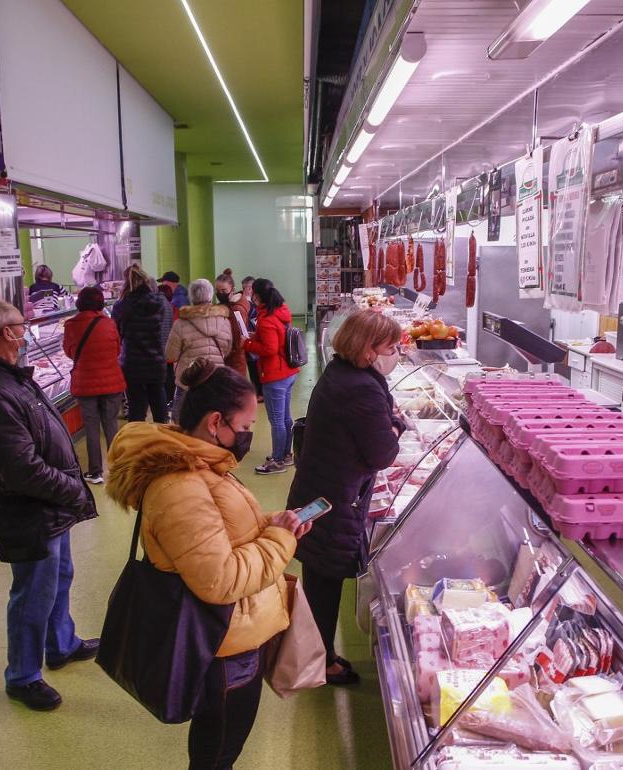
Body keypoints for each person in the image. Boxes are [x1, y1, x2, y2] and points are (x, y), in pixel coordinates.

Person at [105, 358, 311, 770]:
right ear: (216, 422)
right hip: (222, 645)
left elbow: (220, 532)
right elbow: (220, 578)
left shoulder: (202, 464)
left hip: (232, 636)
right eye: (246, 425)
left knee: (218, 748)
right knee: (217, 755)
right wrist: (280, 539)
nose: (249, 434)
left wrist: (273, 524)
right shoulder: (180, 485)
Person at [0, 301, 99, 712]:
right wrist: (74, 490)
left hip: (50, 507)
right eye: (22, 326)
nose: (27, 331)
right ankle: (22, 676)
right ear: (6, 333)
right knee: (32, 594)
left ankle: (61, 643)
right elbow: (23, 471)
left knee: (59, 577)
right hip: (31, 510)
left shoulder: (7, 374)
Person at [287, 310, 405, 686]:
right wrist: (396, 425)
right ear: (369, 350)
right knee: (324, 583)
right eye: (392, 347)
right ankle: (320, 662)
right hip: (335, 499)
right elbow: (383, 453)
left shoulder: (342, 373)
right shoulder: (362, 388)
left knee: (319, 581)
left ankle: (318, 653)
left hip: (320, 492)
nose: (397, 353)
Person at [62, 286, 126, 484]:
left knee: (91, 427)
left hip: (85, 383)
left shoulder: (72, 325)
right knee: (111, 425)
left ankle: (95, 471)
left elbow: (69, 352)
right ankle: (117, 470)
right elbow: (117, 350)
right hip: (112, 382)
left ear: (80, 302)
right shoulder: (109, 323)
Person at [242, 278, 300, 475]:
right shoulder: (281, 311)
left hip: (274, 375)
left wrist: (247, 344)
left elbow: (270, 348)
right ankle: (285, 454)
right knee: (285, 417)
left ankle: (277, 460)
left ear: (257, 296)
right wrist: (255, 337)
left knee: (276, 420)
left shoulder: (266, 320)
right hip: (288, 371)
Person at [165, 278, 233, 419]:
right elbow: (226, 350)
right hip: (215, 379)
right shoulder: (225, 321)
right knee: (211, 423)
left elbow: (170, 356)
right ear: (210, 295)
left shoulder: (180, 324)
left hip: (187, 382)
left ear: (191, 297)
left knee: (181, 424)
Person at [112, 264, 170, 424]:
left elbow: (116, 332)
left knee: (136, 412)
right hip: (156, 361)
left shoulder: (121, 306)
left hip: (132, 364)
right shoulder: (159, 302)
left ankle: (138, 444)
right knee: (160, 409)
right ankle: (164, 443)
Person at [216, 269, 250, 379]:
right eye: (217, 290)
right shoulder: (226, 306)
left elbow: (238, 340)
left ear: (233, 290)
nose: (220, 294)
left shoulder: (236, 310)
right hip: (228, 359)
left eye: (224, 290)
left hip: (234, 361)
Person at [241, 277, 263, 400]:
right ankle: (258, 391)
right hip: (250, 336)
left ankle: (260, 391)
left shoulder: (252, 303)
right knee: (253, 366)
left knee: (256, 366)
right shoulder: (245, 302)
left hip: (254, 336)